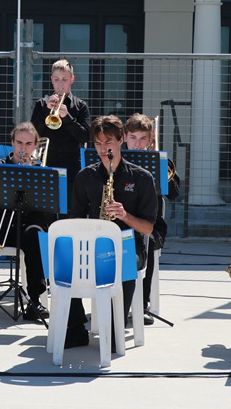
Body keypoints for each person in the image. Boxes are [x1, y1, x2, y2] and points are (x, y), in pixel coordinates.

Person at [65, 115, 158, 350]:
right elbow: (74, 219)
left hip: (128, 244)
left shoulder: (142, 178)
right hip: (93, 242)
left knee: (125, 263)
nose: (103, 148)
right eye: (97, 143)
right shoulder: (85, 176)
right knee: (64, 262)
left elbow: (148, 228)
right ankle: (75, 328)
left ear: (121, 140)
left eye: (108, 142)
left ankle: (116, 327)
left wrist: (125, 216)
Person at [0, 122, 55, 321]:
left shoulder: (41, 171)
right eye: (19, 143)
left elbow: (47, 212)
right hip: (1, 223)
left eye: (28, 143)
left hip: (27, 225)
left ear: (35, 145)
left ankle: (35, 301)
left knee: (36, 237)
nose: (23, 148)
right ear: (12, 143)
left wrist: (30, 175)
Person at [123, 113, 181, 326]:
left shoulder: (160, 161)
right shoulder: (117, 160)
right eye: (133, 137)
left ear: (150, 140)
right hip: (121, 223)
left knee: (148, 244)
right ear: (125, 138)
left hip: (151, 224)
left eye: (142, 138)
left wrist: (161, 169)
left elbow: (173, 193)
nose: (137, 143)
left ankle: (143, 304)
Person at [30, 59, 91, 200]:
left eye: (64, 79)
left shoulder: (80, 106)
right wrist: (47, 111)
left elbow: (85, 136)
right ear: (51, 79)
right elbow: (33, 134)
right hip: (47, 163)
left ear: (72, 79)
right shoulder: (41, 104)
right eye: (56, 79)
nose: (60, 84)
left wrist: (67, 117)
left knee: (69, 207)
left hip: (71, 166)